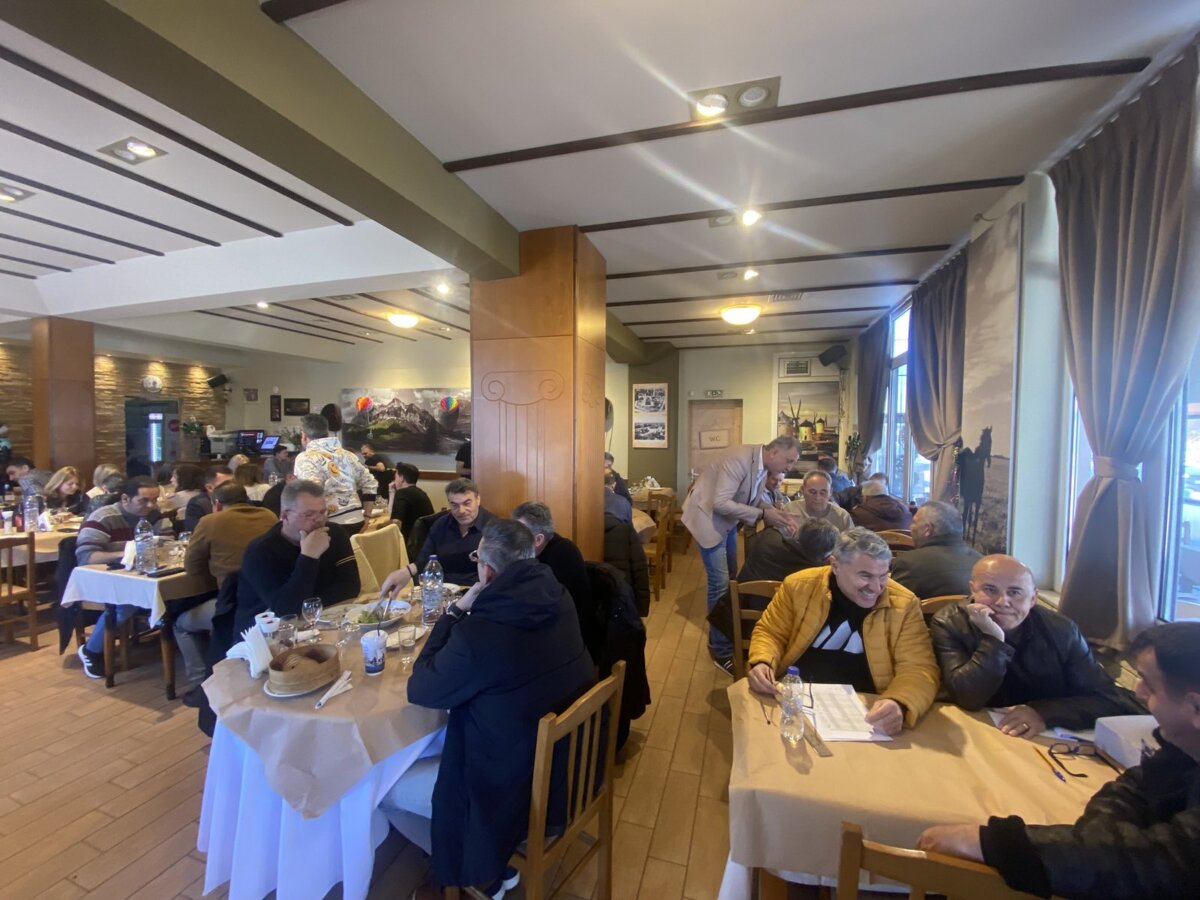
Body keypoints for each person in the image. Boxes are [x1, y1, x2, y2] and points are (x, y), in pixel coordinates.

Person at [381, 519, 595, 895]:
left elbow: (422, 688)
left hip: (509, 787)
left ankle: (477, 872)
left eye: (478, 559)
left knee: (384, 790)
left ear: (488, 571)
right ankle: (492, 859)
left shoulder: (482, 631)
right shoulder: (558, 595)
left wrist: (454, 612)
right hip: (569, 766)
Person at [918, 622, 1200, 898]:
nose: (1138, 691)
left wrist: (999, 844)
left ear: (1195, 707)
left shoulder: (1062, 631)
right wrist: (1098, 840)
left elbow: (1158, 862)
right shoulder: (1182, 746)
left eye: (1149, 685)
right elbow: (1136, 788)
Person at [747, 527, 939, 734]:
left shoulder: (904, 604)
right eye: (865, 576)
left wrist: (898, 702)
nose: (876, 587)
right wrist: (762, 662)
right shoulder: (798, 585)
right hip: (795, 698)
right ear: (835, 565)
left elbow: (919, 668)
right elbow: (771, 632)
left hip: (867, 708)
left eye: (883, 576)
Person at [930, 554, 1140, 736]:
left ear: (1033, 598)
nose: (1002, 602)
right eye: (990, 590)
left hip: (1042, 737)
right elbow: (968, 697)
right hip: (977, 731)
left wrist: (1044, 713)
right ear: (972, 590)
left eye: (1015, 592)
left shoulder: (1061, 630)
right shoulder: (949, 622)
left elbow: (1107, 697)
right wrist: (993, 640)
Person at [681, 436, 802, 675]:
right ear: (774, 452)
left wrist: (772, 512)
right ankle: (722, 651)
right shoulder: (739, 459)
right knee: (720, 584)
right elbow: (721, 503)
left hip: (725, 523)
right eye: (789, 461)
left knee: (731, 581)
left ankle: (721, 635)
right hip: (708, 519)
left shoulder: (762, 464)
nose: (789, 467)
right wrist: (764, 515)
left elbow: (752, 499)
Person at [177, 482, 277, 697]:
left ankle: (202, 685)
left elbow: (192, 568)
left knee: (180, 623)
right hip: (270, 598)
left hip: (233, 604)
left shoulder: (210, 521)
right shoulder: (268, 515)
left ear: (217, 503)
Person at [74, 476, 173, 679]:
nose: (151, 505)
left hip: (139, 576)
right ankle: (91, 650)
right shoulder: (103, 517)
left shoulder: (155, 515)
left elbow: (168, 544)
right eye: (144, 500)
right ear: (125, 499)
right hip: (102, 577)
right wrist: (128, 553)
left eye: (155, 499)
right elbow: (86, 557)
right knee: (127, 601)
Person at [234, 480, 359, 635]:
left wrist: (307, 605)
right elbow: (286, 611)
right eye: (309, 514)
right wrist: (309, 557)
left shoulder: (335, 533)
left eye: (322, 512)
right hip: (266, 633)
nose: (319, 520)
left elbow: (351, 587)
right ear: (285, 515)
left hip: (322, 622)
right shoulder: (261, 551)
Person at [513, 501, 599, 663]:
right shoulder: (531, 553)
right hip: (548, 632)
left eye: (518, 535)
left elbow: (539, 605)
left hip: (572, 644)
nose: (513, 540)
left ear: (538, 540)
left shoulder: (563, 553)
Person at [380, 478, 493, 594]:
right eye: (454, 505)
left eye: (467, 503)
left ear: (478, 499)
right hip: (441, 591)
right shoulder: (441, 525)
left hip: (479, 593)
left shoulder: (494, 528)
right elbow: (424, 559)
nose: (461, 511)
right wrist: (406, 571)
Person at [292, 413, 376, 535]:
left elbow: (310, 493)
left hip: (330, 525)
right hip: (357, 520)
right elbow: (370, 482)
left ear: (304, 436)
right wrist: (367, 515)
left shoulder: (305, 457)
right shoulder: (348, 455)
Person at [890, 500, 981, 599]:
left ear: (927, 529)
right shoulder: (981, 561)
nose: (910, 527)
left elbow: (896, 604)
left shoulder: (907, 563)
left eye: (914, 522)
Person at [737, 518, 839, 584]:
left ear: (799, 534)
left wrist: (793, 538)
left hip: (744, 607)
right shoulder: (818, 574)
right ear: (826, 556)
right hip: (788, 612)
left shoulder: (768, 539)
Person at [603, 511, 650, 615]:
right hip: (622, 595)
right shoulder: (625, 529)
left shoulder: (577, 531)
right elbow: (639, 568)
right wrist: (642, 608)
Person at [782, 469, 853, 532]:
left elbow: (853, 541)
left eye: (822, 493)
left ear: (830, 492)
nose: (817, 497)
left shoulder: (842, 517)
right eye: (812, 492)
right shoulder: (790, 509)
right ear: (802, 490)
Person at [389, 463, 435, 547]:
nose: (394, 481)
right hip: (425, 541)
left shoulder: (402, 493)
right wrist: (392, 492)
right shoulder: (421, 492)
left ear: (401, 478)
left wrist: (393, 544)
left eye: (395, 477)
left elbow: (395, 522)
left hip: (409, 543)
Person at [183, 466, 233, 532]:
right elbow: (194, 532)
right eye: (225, 485)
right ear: (209, 488)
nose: (232, 487)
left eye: (233, 483)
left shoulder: (239, 499)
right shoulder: (197, 503)